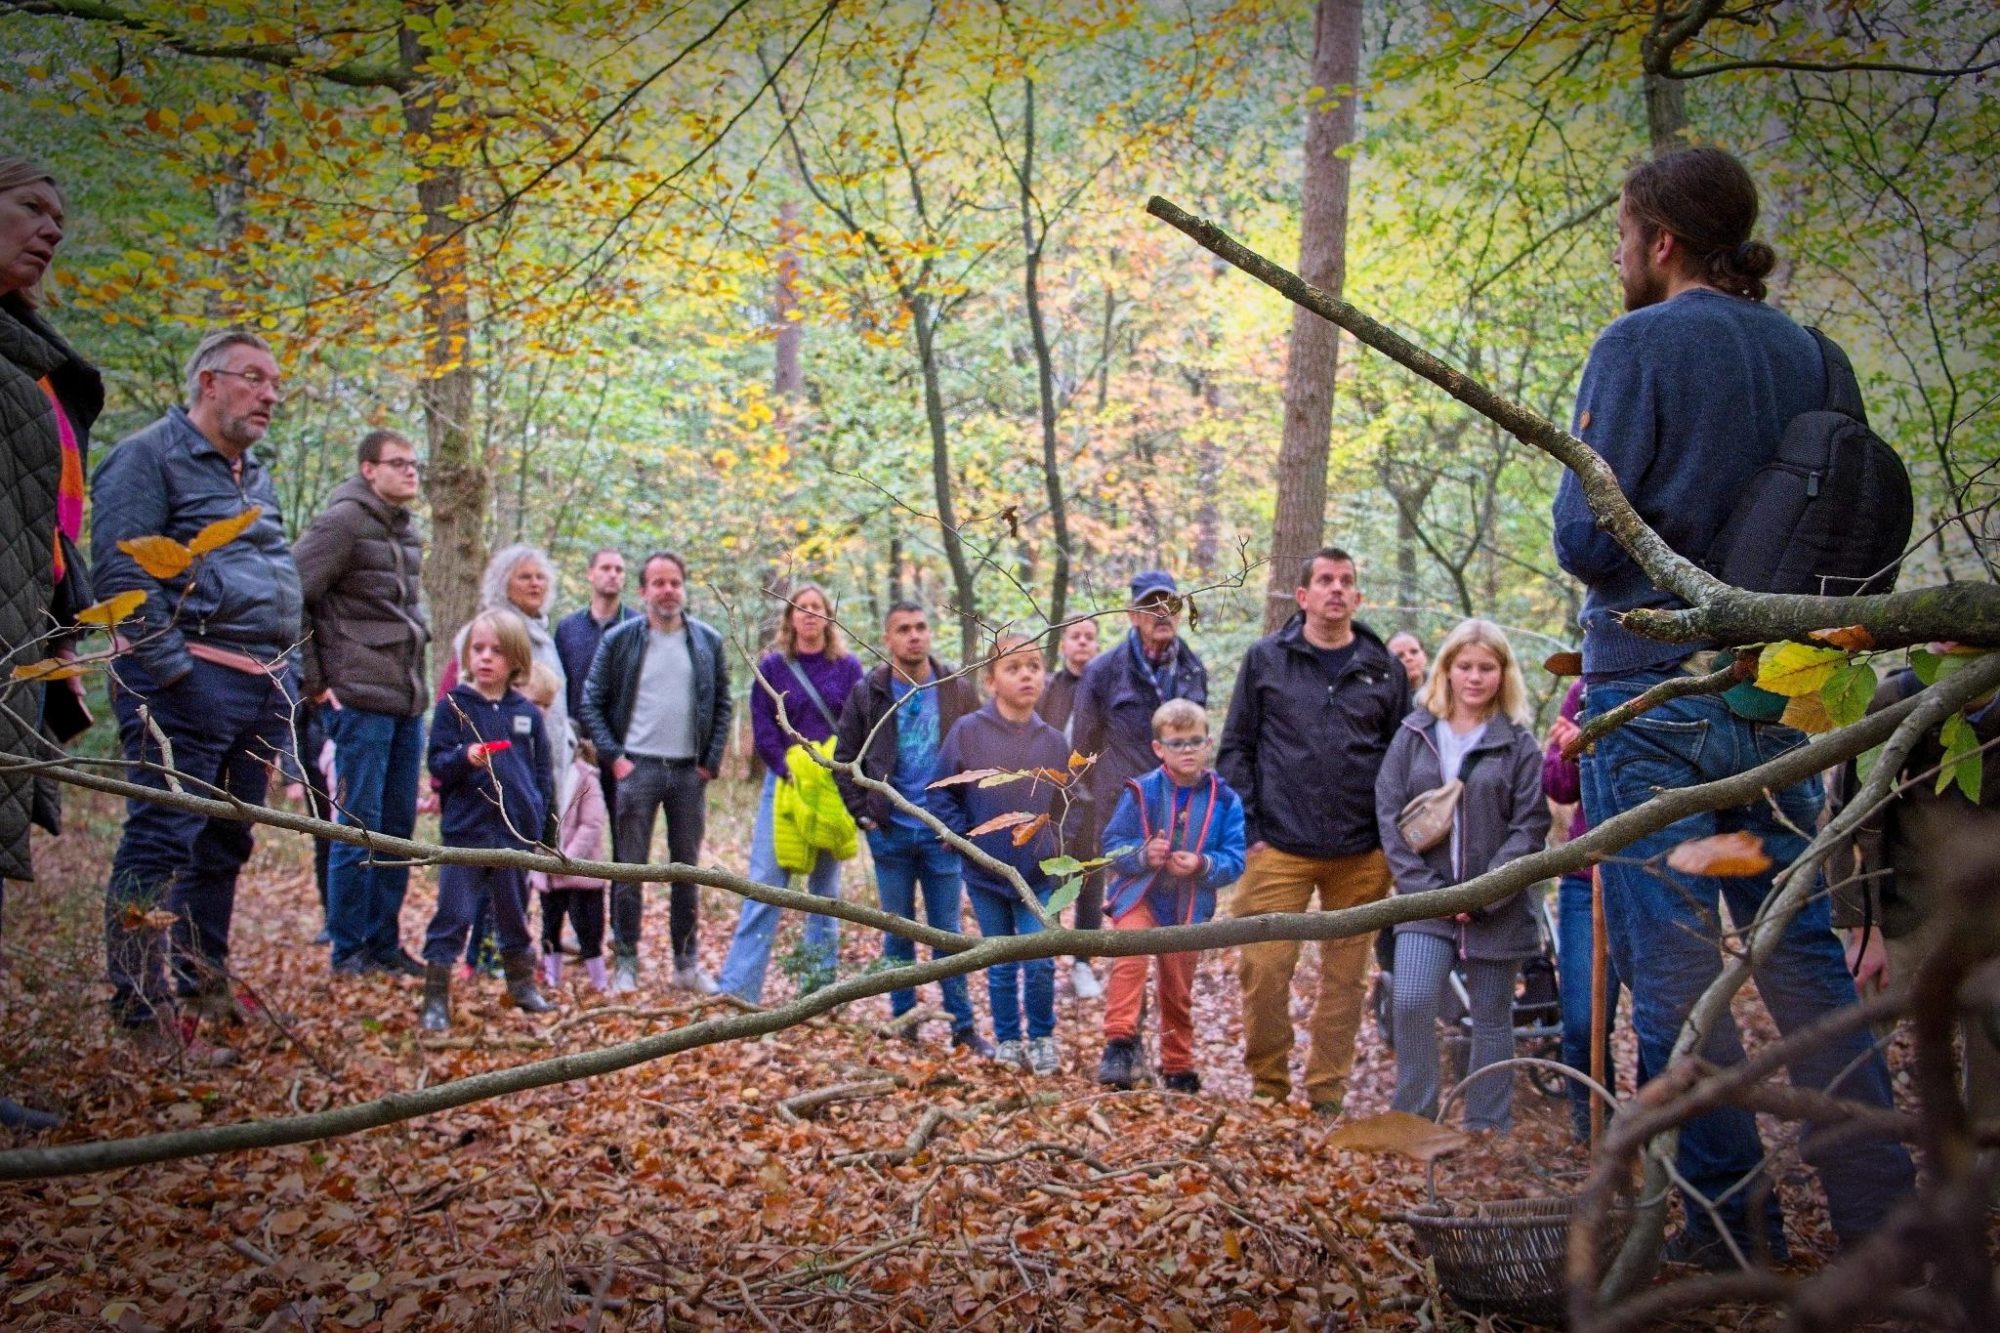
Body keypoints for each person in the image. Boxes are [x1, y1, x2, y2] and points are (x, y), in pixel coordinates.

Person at [1554, 146, 1914, 1260]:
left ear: (1659, 238)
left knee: (1669, 968)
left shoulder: (1636, 343)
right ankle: (1879, 1218)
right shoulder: (1818, 357)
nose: (1618, 255)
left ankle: (1726, 1229)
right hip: (1776, 697)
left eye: (1621, 235)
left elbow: (1580, 534)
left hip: (1648, 690)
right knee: (1801, 954)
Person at [92, 329, 303, 1057]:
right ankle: (139, 1011)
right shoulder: (147, 456)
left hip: (260, 684)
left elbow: (274, 576)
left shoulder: (256, 476)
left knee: (225, 841)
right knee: (160, 838)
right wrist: (178, 675)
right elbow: (122, 579)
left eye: (274, 382)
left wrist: (287, 680)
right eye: (254, 378)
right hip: (183, 682)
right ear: (209, 383)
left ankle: (200, 983)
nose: (270, 394)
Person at [1217, 547, 1405, 1113]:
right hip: (1279, 846)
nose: (1336, 590)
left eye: (1346, 581)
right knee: (1264, 969)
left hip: (1361, 851)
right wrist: (1250, 828)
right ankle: (1268, 1087)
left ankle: (1327, 1093)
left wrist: (1389, 836)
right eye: (1325, 581)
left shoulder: (1383, 668)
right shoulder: (1266, 660)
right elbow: (1236, 748)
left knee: (1345, 982)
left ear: (1358, 596)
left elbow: (1404, 757)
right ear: (1302, 597)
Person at [1, 157, 102, 1124]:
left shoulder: (30, 356)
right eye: (32, 205)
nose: (51, 229)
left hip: (20, 638)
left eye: (59, 215)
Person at [1376, 620, 1549, 1132]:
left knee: (1492, 1015)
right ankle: (1415, 1114)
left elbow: (1531, 825)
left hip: (1499, 903)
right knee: (1410, 1000)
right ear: (1446, 670)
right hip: (1424, 902)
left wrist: (1487, 891)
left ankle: (1486, 1124)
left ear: (1503, 673)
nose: (1474, 678)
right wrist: (1424, 892)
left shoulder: (1518, 744)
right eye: (1464, 666)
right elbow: (1389, 812)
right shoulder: (1413, 734)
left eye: (1486, 668)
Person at [292, 427, 430, 979]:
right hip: (357, 703)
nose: (411, 472)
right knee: (357, 828)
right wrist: (315, 683)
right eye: (399, 463)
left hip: (406, 702)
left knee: (397, 830)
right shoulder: (342, 522)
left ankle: (383, 945)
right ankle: (348, 950)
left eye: (414, 464)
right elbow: (292, 595)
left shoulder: (407, 531)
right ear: (369, 469)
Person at [832, 601, 986, 1052]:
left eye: (921, 627)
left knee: (947, 934)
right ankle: (904, 1022)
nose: (914, 636)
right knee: (897, 932)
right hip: (891, 832)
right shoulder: (869, 692)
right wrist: (862, 813)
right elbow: (845, 759)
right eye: (903, 629)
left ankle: (963, 1027)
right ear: (888, 639)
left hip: (942, 834)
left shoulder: (955, 689)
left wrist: (964, 822)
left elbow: (978, 757)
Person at [581, 550, 730, 994]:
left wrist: (710, 762)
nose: (668, 591)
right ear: (643, 591)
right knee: (630, 870)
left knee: (687, 871)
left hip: (689, 774)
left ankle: (685, 964)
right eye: (659, 583)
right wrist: (616, 759)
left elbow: (722, 704)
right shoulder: (621, 639)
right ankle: (626, 961)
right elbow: (591, 701)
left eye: (675, 583)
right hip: (636, 771)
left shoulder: (707, 641)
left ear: (683, 589)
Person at [717, 582, 863, 1003]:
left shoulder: (849, 666)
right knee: (766, 884)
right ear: (790, 617)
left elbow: (858, 721)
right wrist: (786, 768)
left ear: (828, 616)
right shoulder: (774, 666)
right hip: (783, 785)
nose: (810, 613)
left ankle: (819, 991)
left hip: (831, 786)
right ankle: (739, 990)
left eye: (817, 606)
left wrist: (841, 772)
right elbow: (763, 724)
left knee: (825, 892)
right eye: (801, 607)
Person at [934, 634, 1071, 1072]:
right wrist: (966, 841)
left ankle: (1043, 1037)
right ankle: (1009, 1040)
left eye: (1034, 665)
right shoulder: (968, 732)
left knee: (1040, 960)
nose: (1026, 674)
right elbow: (940, 796)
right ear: (991, 681)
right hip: (985, 873)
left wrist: (1061, 852)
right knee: (999, 961)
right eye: (1014, 667)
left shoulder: (1052, 741)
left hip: (1040, 875)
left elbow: (1071, 803)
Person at [1095, 699, 1246, 1093]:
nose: (1188, 750)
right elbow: (1111, 844)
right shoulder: (1142, 791)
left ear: (1208, 744)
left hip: (1188, 906)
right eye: (1177, 743)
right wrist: (1143, 854)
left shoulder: (1224, 799)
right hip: (1138, 895)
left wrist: (1201, 864)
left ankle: (1178, 1064)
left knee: (1177, 987)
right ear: (1159, 748)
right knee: (1129, 952)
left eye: (1195, 741)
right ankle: (1119, 1043)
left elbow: (1234, 858)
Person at [1072, 572, 1206, 1002]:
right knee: (1130, 919)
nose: (1162, 614)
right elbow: (1083, 749)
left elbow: (1198, 743)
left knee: (1174, 925)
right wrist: (1098, 806)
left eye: (1170, 604)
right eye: (1151, 606)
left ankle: (1170, 1031)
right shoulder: (1103, 671)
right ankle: (1125, 1033)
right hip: (1124, 811)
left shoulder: (1192, 669)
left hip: (1180, 812)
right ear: (1132, 615)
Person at [419, 610, 556, 1028]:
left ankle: (522, 985)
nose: (486, 658)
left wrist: (542, 829)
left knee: (514, 913)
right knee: (454, 913)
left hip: (516, 836)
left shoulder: (528, 714)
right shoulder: (453, 707)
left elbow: (542, 774)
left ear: (515, 659)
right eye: (478, 649)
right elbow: (438, 763)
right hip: (467, 833)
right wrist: (465, 757)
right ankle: (435, 996)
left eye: (496, 651)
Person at [1542, 677, 1622, 1143]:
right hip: (1584, 878)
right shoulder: (1585, 690)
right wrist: (1573, 749)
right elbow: (1558, 786)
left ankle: (1654, 1128)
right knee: (1582, 1020)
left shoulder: (1679, 678)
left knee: (1664, 1016)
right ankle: (1594, 1125)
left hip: (1656, 871)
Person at [525, 664, 612, 994]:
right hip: (549, 871)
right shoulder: (541, 774)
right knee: (550, 925)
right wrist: (544, 859)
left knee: (589, 929)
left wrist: (568, 857)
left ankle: (599, 981)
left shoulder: (587, 778)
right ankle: (551, 976)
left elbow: (592, 823)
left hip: (581, 872)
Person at [1038, 616, 1106, 998]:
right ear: (1063, 644)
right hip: (1054, 798)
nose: (1082, 643)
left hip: (1094, 801)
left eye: (1089, 637)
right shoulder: (1051, 687)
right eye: (1075, 637)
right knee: (1051, 877)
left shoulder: (1105, 684)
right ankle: (1046, 954)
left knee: (1091, 881)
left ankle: (1083, 963)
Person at [554, 548, 632, 805]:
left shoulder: (637, 626)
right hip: (578, 746)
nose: (613, 575)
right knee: (575, 830)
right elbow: (558, 686)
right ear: (590, 574)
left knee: (626, 834)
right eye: (606, 568)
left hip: (625, 748)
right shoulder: (568, 628)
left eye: (619, 570)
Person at [1387, 632, 1428, 708]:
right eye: (1399, 656)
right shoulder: (1384, 700)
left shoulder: (1445, 687)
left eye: (1414, 652)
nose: (1409, 658)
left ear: (1425, 655)